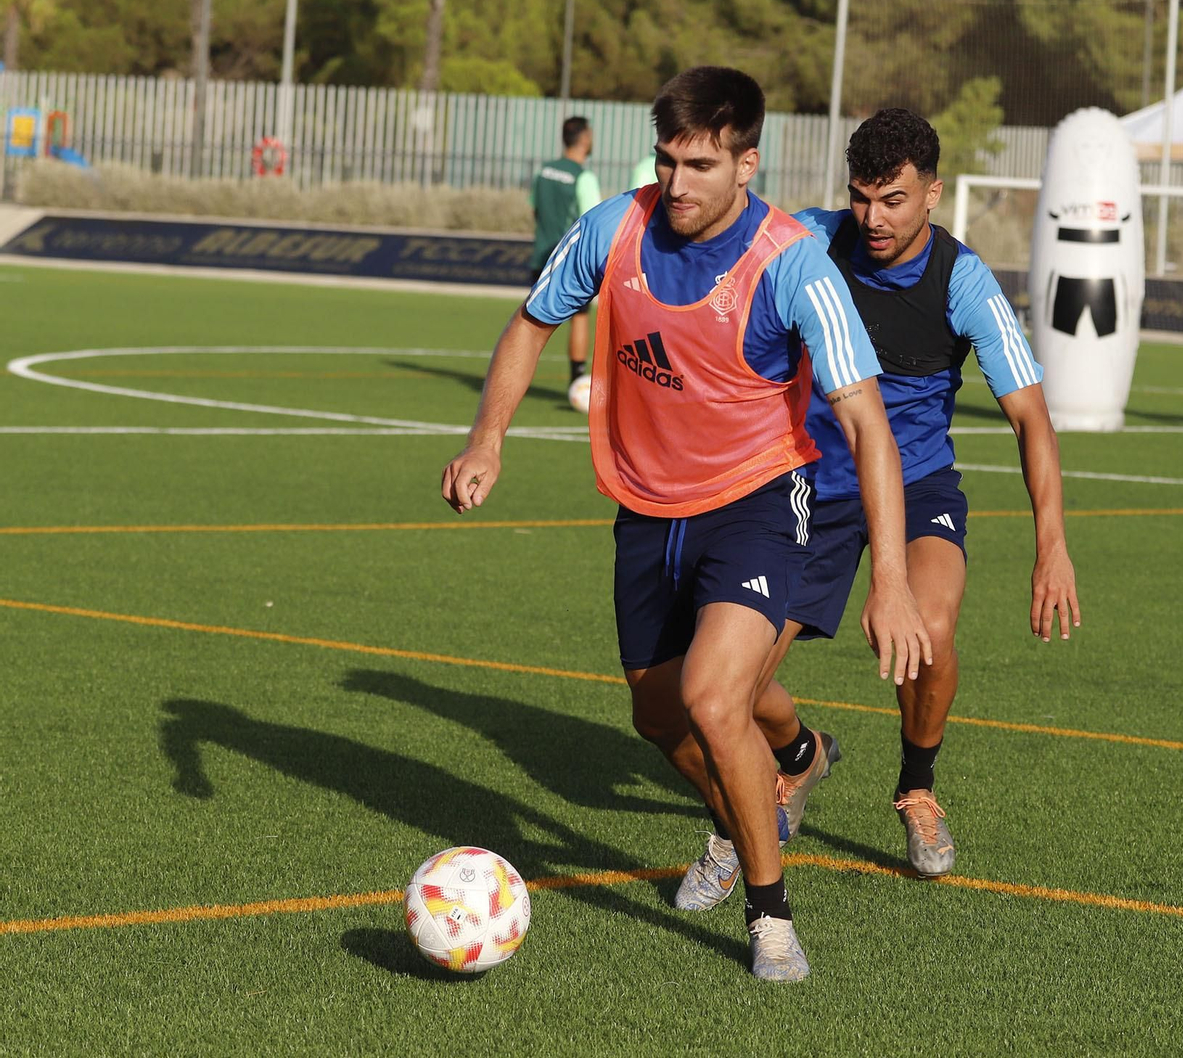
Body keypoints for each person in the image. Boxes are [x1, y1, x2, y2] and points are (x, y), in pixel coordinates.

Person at [441, 67, 931, 982]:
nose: (675, 182)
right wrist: (487, 440)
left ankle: (769, 913)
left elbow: (868, 424)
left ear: (747, 163)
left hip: (758, 500)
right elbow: (532, 321)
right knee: (656, 716)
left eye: (700, 165)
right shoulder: (612, 229)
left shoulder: (793, 263)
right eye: (666, 160)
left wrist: (893, 582)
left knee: (713, 697)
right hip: (646, 507)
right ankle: (777, 781)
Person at [672, 107, 1080, 900]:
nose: (873, 218)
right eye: (861, 198)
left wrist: (1052, 547)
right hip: (809, 488)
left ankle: (917, 788)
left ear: (932, 193)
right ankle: (799, 756)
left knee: (930, 628)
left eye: (893, 199)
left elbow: (1031, 417)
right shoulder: (807, 241)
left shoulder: (962, 280)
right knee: (730, 686)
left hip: (918, 482)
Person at [531, 116, 602, 388]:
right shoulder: (583, 176)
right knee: (580, 318)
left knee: (533, 324)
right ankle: (577, 382)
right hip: (569, 261)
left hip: (541, 255)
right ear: (585, 138)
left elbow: (535, 210)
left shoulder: (544, 171)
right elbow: (593, 222)